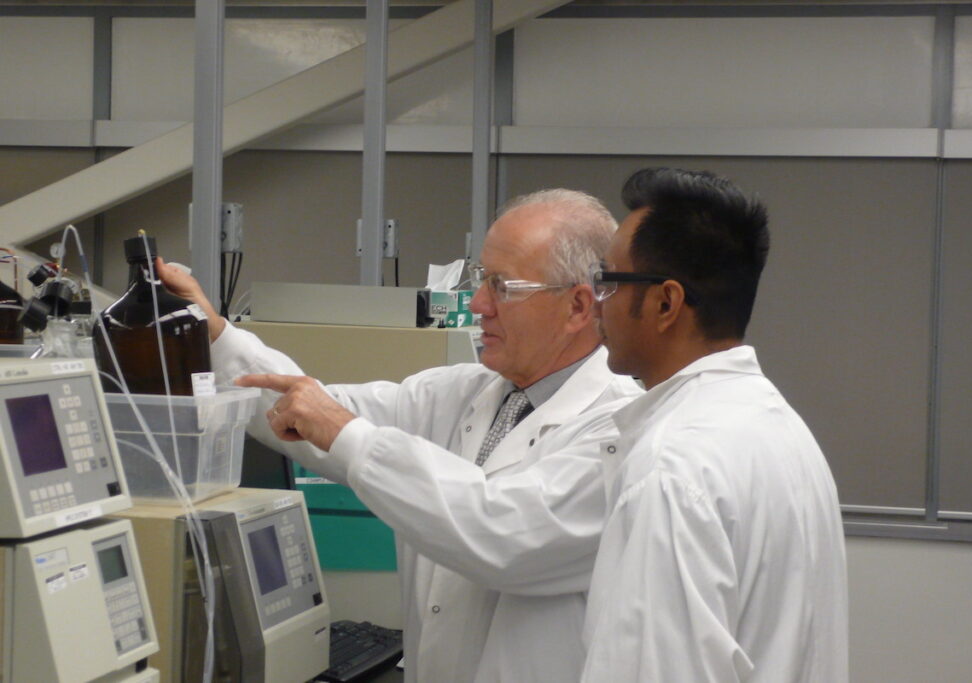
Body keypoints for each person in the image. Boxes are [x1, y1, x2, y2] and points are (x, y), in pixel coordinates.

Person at [157, 189, 641, 683]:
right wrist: (214, 334)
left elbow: (502, 536)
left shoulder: (620, 431)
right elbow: (306, 412)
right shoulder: (460, 393)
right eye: (480, 280)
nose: (478, 304)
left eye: (502, 286)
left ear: (579, 306)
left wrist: (347, 435)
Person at [581, 168, 848, 682]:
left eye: (609, 281)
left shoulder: (674, 469)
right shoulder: (779, 429)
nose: (598, 301)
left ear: (666, 303)